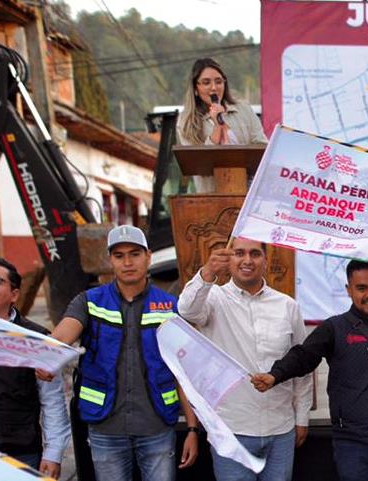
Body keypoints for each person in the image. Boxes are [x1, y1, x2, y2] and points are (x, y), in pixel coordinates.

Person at [49, 225, 199, 481]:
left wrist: (193, 429)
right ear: (110, 260)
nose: (127, 262)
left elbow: (182, 375)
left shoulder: (170, 307)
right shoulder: (89, 302)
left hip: (156, 428)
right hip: (105, 428)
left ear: (148, 257)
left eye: (135, 254)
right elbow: (61, 338)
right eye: (119, 256)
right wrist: (47, 355)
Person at [251, 260, 368, 481]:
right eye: (361, 288)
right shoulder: (334, 327)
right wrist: (275, 375)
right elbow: (304, 356)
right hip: (351, 442)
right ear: (349, 290)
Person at [177, 238, 312, 481]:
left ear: (265, 260)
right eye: (239, 253)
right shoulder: (213, 299)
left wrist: (302, 417)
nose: (247, 260)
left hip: (280, 430)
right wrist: (207, 272)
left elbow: (302, 364)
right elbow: (186, 310)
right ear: (228, 258)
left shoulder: (287, 306)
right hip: (231, 431)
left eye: (255, 253)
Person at [0, 257, 71, 481]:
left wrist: (53, 454)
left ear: (14, 294)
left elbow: (52, 402)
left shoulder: (35, 340)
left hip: (15, 455)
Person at [177, 57, 267, 192]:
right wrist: (217, 126)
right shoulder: (186, 121)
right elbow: (199, 164)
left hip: (248, 193)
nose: (214, 88)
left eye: (218, 81)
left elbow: (262, 147)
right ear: (196, 88)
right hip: (212, 196)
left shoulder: (243, 109)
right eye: (206, 83)